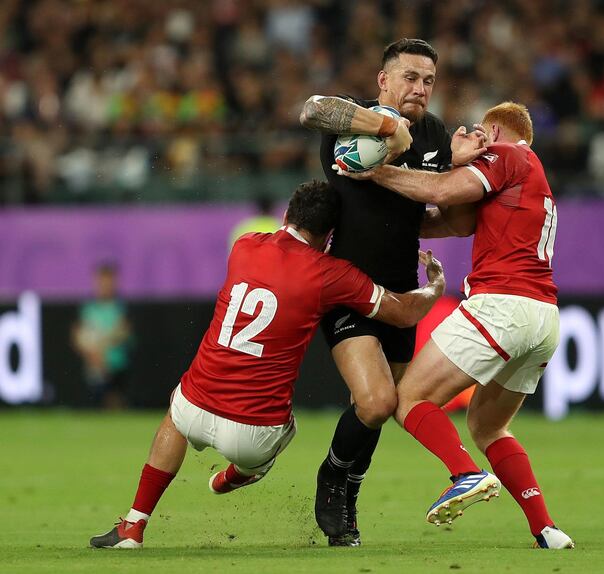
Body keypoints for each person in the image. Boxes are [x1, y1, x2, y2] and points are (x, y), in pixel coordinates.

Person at [89, 180, 445, 549]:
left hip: (197, 406)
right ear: (329, 235)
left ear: (287, 214)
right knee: (284, 430)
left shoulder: (244, 246)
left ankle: (133, 526)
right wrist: (435, 285)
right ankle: (245, 471)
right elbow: (404, 314)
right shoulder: (330, 274)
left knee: (174, 418)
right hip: (254, 433)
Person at [337, 102, 575, 549]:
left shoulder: (509, 155)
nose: (477, 140)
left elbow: (446, 190)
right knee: (487, 427)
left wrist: (375, 172)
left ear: (498, 130)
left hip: (502, 305)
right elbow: (444, 219)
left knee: (408, 398)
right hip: (543, 319)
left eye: (482, 133)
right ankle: (546, 528)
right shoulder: (530, 175)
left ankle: (465, 474)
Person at [299, 38, 486, 546]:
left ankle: (349, 491)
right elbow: (312, 108)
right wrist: (387, 128)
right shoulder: (350, 119)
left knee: (393, 403)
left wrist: (465, 168)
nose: (419, 88)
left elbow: (449, 220)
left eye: (428, 80)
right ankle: (333, 478)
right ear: (383, 80)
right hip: (348, 288)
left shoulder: (434, 134)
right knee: (378, 400)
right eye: (409, 77)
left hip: (402, 295)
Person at [71, 262, 133, 409]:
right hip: (95, 368)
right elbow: (78, 336)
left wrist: (105, 345)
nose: (106, 285)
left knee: (116, 404)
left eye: (109, 281)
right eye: (102, 281)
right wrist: (92, 354)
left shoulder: (120, 307)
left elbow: (124, 331)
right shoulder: (88, 308)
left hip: (117, 367)